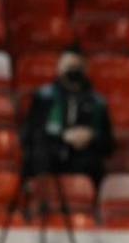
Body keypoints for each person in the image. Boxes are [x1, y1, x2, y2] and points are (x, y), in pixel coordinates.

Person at [20, 49, 114, 186]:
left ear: (85, 70)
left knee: (93, 164)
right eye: (69, 67)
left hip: (84, 161)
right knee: (39, 155)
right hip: (49, 158)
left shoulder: (97, 103)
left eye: (77, 68)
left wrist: (91, 136)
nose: (73, 72)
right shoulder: (44, 97)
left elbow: (109, 144)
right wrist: (63, 136)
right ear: (59, 68)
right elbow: (29, 135)